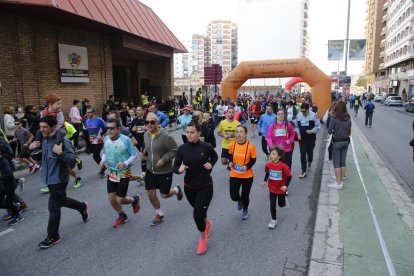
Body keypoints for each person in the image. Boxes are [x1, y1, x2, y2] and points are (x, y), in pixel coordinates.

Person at [29, 116, 88, 249]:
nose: (41, 129)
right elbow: (40, 157)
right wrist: (31, 148)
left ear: (53, 126)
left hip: (60, 179)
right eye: (41, 127)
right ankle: (81, 207)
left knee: (53, 206)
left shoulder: (63, 141)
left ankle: (53, 236)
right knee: (60, 200)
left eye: (45, 127)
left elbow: (72, 162)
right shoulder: (43, 139)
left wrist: (60, 153)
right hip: (48, 178)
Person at [173, 121, 218, 255]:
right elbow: (175, 167)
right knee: (200, 213)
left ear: (198, 133)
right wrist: (179, 169)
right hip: (189, 187)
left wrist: (211, 163)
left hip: (205, 185)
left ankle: (202, 237)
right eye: (187, 132)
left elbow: (214, 157)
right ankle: (206, 223)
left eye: (192, 132)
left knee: (197, 214)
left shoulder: (206, 146)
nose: (189, 135)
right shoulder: (182, 149)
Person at [141, 113, 182, 226]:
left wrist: (164, 159)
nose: (149, 124)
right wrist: (144, 153)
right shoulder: (146, 135)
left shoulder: (165, 136)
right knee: (150, 193)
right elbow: (148, 148)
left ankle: (176, 190)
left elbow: (174, 150)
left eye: (152, 122)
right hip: (150, 169)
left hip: (164, 171)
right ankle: (159, 214)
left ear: (157, 123)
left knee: (164, 195)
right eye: (147, 122)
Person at [99, 118, 140, 228]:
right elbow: (105, 152)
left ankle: (134, 199)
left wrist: (125, 163)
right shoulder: (106, 138)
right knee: (111, 198)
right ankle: (122, 215)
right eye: (107, 128)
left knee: (119, 199)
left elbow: (134, 154)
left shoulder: (125, 139)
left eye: (112, 128)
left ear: (118, 129)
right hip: (112, 171)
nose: (109, 130)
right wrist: (102, 160)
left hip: (124, 172)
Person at [228, 125, 256, 220]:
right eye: (237, 132)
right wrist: (231, 161)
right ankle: (239, 200)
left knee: (245, 195)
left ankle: (245, 210)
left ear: (245, 133)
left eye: (241, 132)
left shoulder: (251, 147)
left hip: (247, 175)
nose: (238, 134)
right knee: (233, 196)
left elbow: (253, 160)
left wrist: (247, 166)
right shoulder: (232, 144)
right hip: (234, 174)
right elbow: (230, 155)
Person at [262, 146, 291, 229]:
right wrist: (265, 181)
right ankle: (273, 220)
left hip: (281, 188)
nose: (271, 155)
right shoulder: (268, 165)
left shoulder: (283, 166)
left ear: (279, 157)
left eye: (274, 154)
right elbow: (267, 172)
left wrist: (286, 186)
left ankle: (284, 200)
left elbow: (289, 176)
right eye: (271, 153)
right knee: (272, 205)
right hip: (272, 188)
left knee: (281, 205)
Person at [328, 101, 351, 190]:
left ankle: (338, 183)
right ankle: (341, 179)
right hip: (346, 141)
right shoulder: (348, 117)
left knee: (337, 164)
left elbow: (329, 130)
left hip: (337, 142)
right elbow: (349, 128)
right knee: (343, 162)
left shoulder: (334, 118)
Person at [0, 144, 23, 226]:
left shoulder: (3, 161)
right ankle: (14, 207)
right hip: (3, 186)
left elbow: (9, 174)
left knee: (9, 203)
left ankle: (18, 215)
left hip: (9, 185)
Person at [296, 103, 321, 178]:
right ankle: (303, 170)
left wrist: (312, 131)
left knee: (310, 153)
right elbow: (296, 126)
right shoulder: (298, 115)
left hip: (311, 138)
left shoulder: (313, 115)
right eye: (302, 111)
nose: (303, 113)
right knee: (302, 154)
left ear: (308, 109)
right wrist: (298, 134)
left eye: (305, 111)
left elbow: (318, 126)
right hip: (302, 138)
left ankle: (310, 161)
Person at [84, 107, 107, 178]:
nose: (87, 114)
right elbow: (86, 130)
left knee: (95, 156)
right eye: (87, 112)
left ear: (93, 113)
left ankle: (104, 169)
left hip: (99, 140)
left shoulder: (99, 120)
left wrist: (101, 134)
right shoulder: (87, 120)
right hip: (92, 140)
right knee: (96, 156)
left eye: (89, 112)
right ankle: (103, 168)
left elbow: (106, 128)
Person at [130, 106, 147, 176]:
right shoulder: (134, 120)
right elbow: (131, 131)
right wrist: (133, 139)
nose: (137, 112)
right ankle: (147, 172)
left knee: (143, 156)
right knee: (145, 156)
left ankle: (143, 174)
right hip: (138, 142)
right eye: (136, 110)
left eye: (139, 110)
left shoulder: (146, 119)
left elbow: (149, 128)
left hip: (145, 141)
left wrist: (144, 128)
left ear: (143, 111)